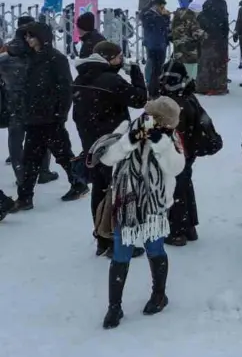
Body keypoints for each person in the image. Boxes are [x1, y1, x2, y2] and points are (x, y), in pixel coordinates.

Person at [94, 97, 186, 330]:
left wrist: (160, 143)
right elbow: (106, 157)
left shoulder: (170, 138)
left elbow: (176, 167)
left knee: (155, 249)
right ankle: (114, 306)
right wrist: (130, 141)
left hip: (155, 206)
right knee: (120, 253)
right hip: (126, 204)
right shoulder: (127, 127)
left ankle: (159, 294)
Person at [73, 41, 148, 256]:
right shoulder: (111, 80)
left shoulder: (82, 77)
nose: (121, 60)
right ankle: (115, 240)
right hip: (112, 142)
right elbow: (140, 99)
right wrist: (136, 74)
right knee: (117, 192)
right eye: (119, 57)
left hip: (92, 144)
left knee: (100, 188)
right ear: (110, 59)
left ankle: (101, 237)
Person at [10, 22, 84, 212]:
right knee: (30, 159)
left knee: (63, 155)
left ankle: (79, 183)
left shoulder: (56, 59)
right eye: (26, 36)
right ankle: (25, 197)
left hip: (51, 118)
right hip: (34, 118)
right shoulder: (31, 57)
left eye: (31, 36)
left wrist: (61, 113)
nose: (28, 40)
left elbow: (66, 88)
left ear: (42, 37)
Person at [159, 60, 212, 246]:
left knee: (174, 189)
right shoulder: (188, 97)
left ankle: (176, 231)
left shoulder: (168, 103)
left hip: (174, 152)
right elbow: (204, 121)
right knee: (184, 185)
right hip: (189, 151)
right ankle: (189, 227)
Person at [0, 18, 58, 185]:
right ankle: (44, 171)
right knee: (41, 137)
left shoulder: (5, 59)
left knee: (15, 139)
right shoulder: (39, 58)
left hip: (14, 104)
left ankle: (21, 175)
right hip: (36, 104)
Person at [196, 0, 230, 95]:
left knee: (221, 63)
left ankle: (220, 86)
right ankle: (206, 87)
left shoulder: (223, 3)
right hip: (211, 38)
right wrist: (213, 29)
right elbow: (205, 21)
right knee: (209, 63)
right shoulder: (208, 4)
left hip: (222, 38)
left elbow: (225, 19)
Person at [141, 0, 172, 97]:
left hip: (159, 44)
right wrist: (165, 17)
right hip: (155, 45)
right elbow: (160, 26)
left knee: (157, 69)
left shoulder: (154, 15)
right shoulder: (149, 15)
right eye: (162, 7)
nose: (163, 9)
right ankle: (153, 91)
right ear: (156, 6)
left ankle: (154, 88)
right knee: (155, 70)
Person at [170, 0, 205, 80]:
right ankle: (188, 88)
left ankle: (179, 89)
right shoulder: (192, 19)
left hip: (178, 50)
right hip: (189, 52)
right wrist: (204, 34)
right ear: (196, 11)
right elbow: (197, 34)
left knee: (179, 74)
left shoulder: (177, 16)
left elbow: (172, 31)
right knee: (190, 75)